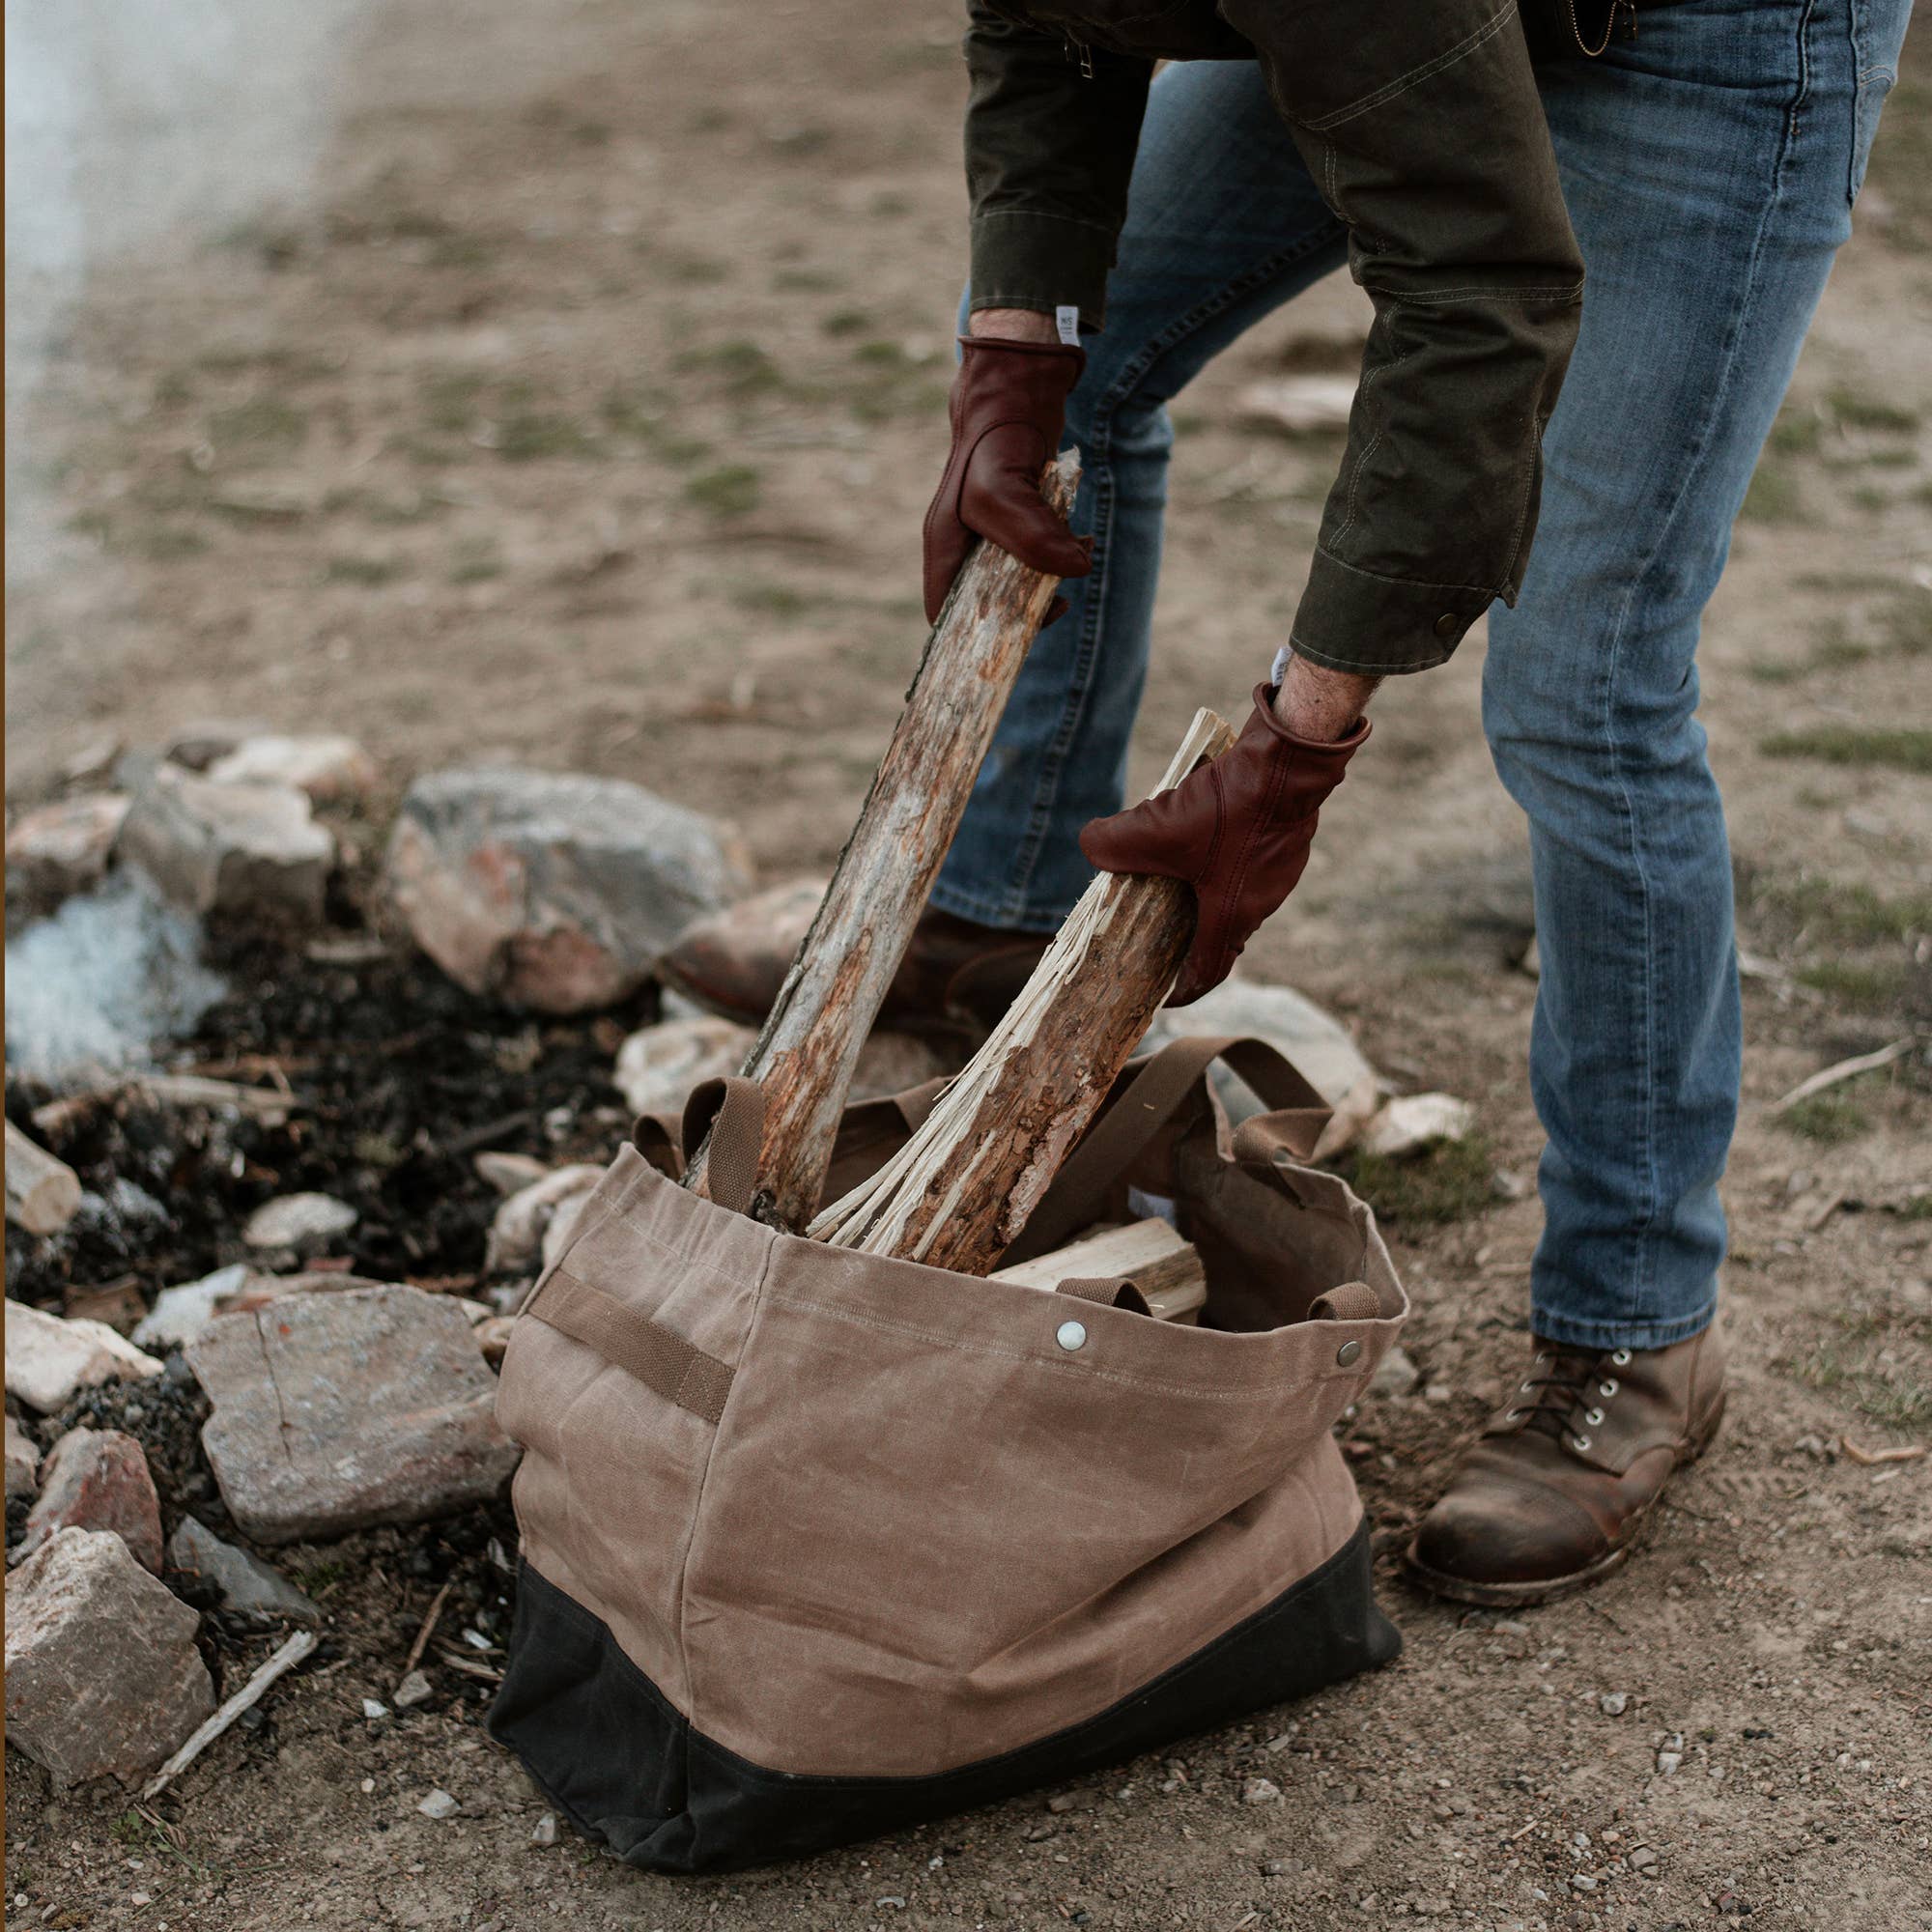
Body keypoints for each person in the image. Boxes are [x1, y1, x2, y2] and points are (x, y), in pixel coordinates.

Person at [663, 0, 1913, 1605]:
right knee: (1078, 352)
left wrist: (1294, 749)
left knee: (1585, 689)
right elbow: (1043, 33)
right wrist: (1013, 359)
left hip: (1707, 42)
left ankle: (1639, 1327)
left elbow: (1477, 288)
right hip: (1429, 25)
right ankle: (996, 902)